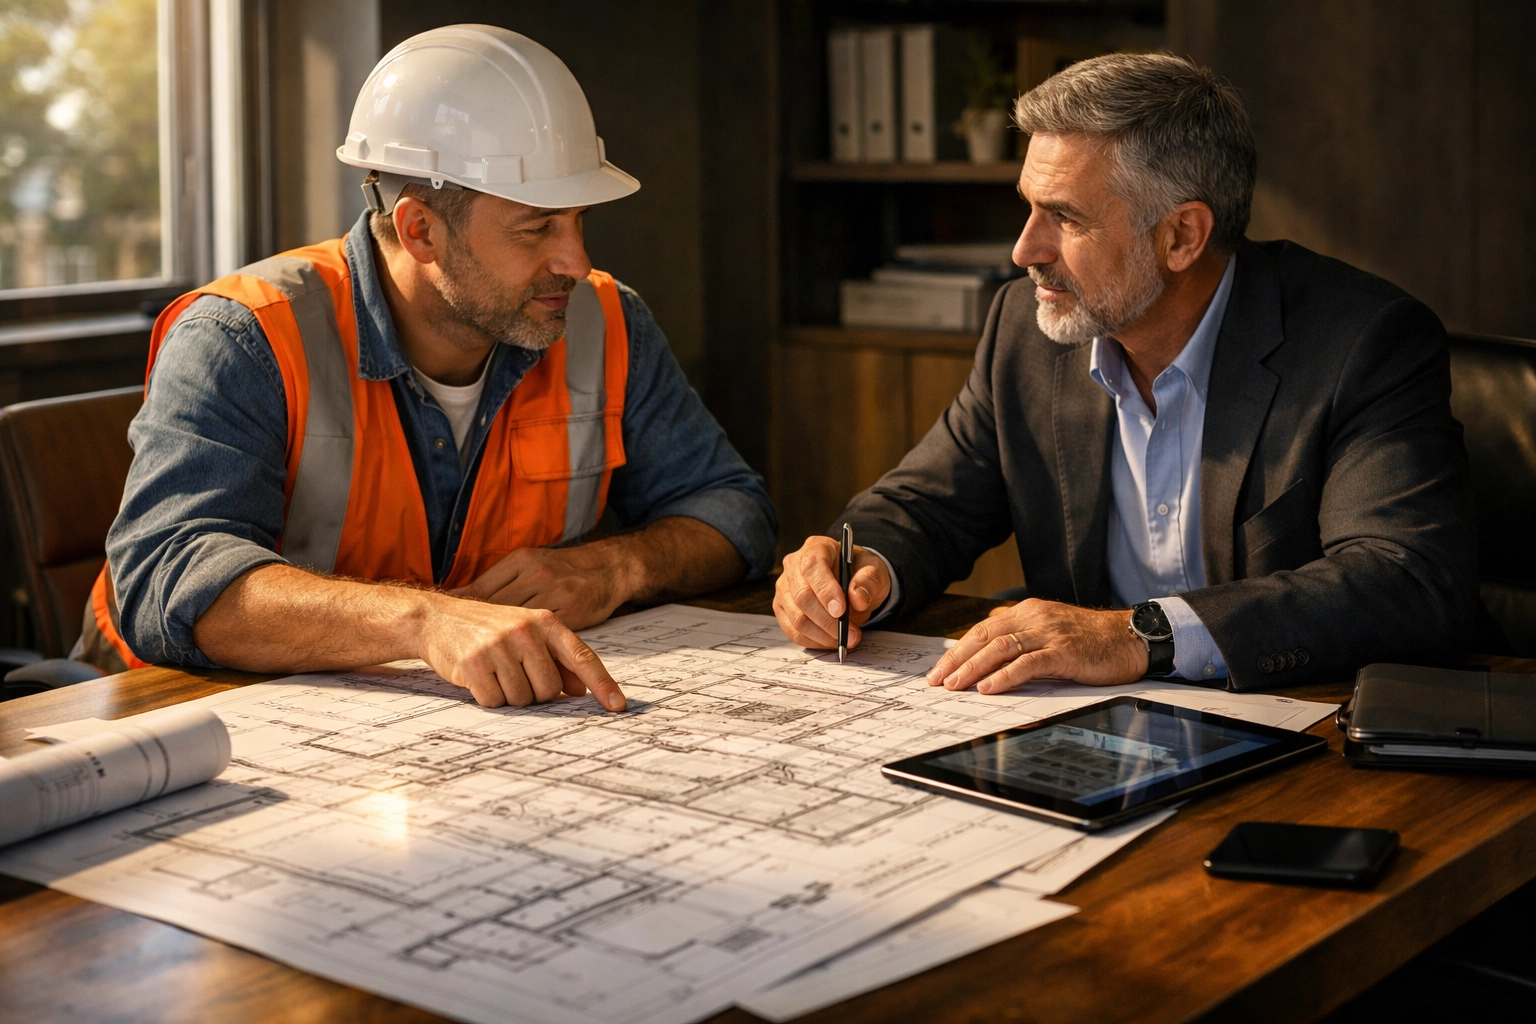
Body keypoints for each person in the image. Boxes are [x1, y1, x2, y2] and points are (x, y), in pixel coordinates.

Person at [85, 26, 776, 712]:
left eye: (577, 221)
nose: (575, 260)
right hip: (172, 721)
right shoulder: (246, 336)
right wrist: (424, 623)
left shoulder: (604, 321)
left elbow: (733, 511)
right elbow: (163, 575)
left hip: (446, 727)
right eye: (537, 228)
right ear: (419, 230)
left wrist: (618, 567)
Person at [774, 53, 1476, 694]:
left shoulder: (1362, 341)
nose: (1024, 250)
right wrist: (857, 568)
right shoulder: (1026, 327)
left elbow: (1405, 579)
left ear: (1181, 236)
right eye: (1027, 207)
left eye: (1064, 218)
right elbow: (926, 506)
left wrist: (1140, 633)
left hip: (1298, 725)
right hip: (1085, 720)